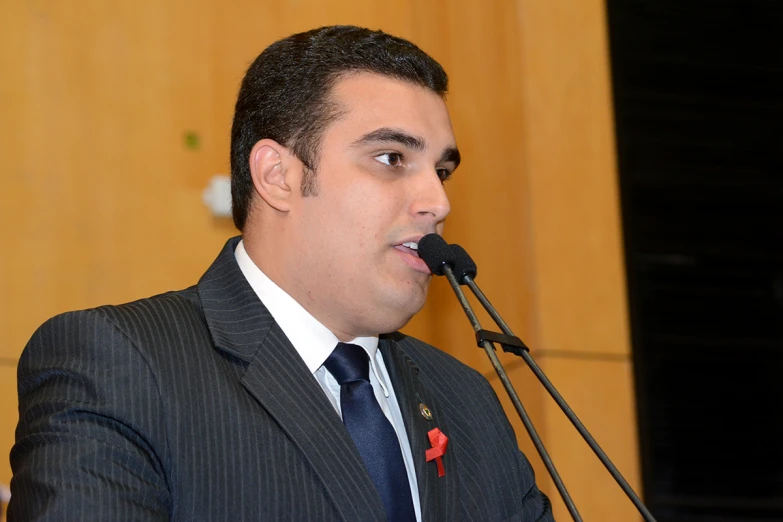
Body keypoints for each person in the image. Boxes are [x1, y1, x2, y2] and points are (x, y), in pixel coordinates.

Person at [9, 25, 553, 521]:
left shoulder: (466, 397)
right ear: (279, 176)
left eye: (441, 171)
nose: (437, 201)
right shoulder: (120, 363)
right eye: (391, 158)